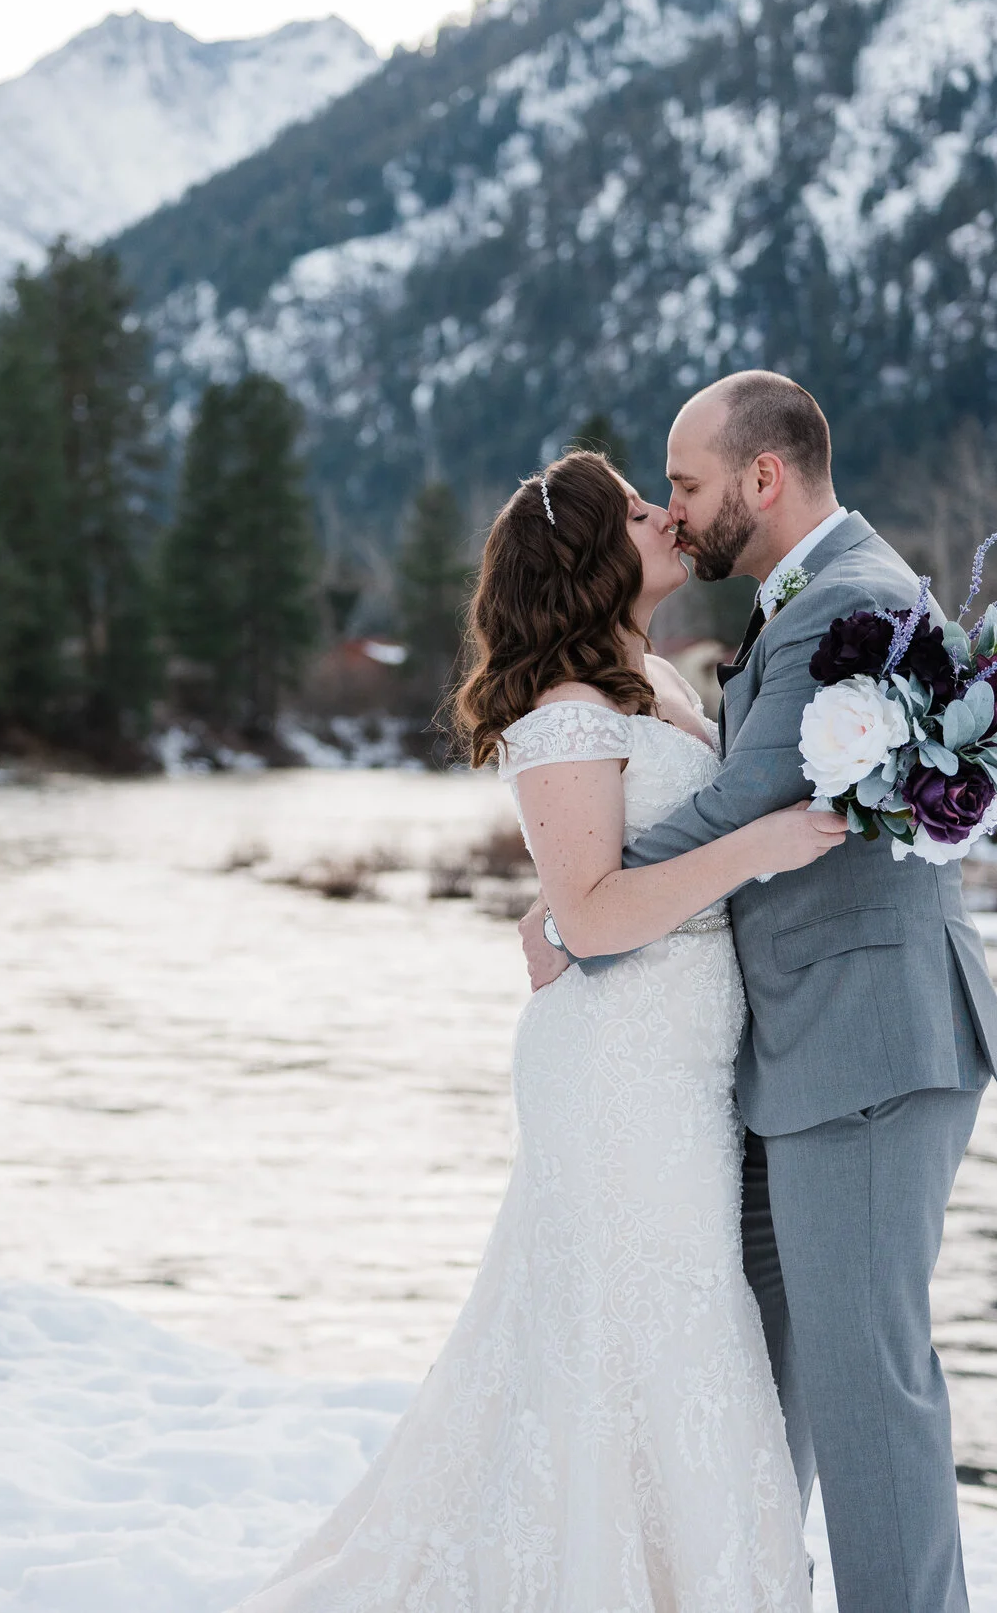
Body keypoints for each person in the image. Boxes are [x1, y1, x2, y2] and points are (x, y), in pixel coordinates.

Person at [234, 446, 844, 1613]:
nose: (664, 516)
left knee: (663, 1318)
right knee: (634, 1317)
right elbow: (595, 914)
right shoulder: (565, 711)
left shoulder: (654, 682)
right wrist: (758, 849)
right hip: (616, 1063)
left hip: (683, 1059)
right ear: (588, 557)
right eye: (636, 510)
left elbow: (614, 866)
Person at [522, 371, 997, 1613]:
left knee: (865, 1386)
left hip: (862, 1043)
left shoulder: (843, 599)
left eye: (685, 485)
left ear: (763, 476)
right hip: (790, 1054)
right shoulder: (806, 600)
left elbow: (746, 802)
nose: (675, 512)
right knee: (753, 1378)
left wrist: (581, 909)